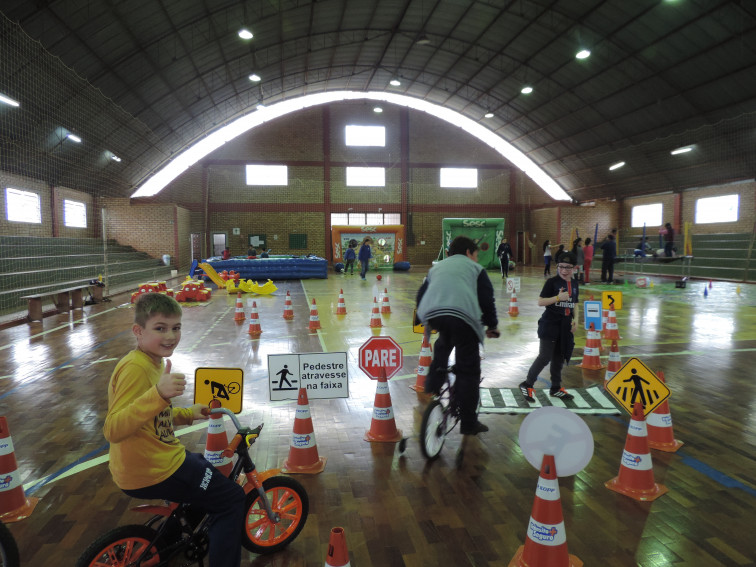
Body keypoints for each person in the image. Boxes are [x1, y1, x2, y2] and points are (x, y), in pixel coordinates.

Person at [104, 294, 245, 567]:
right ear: (138, 331)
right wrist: (158, 393)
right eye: (160, 328)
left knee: (206, 469)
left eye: (176, 327)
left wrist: (186, 413)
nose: (170, 336)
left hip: (160, 460)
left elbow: (154, 416)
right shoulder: (135, 368)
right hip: (153, 469)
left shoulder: (154, 361)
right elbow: (113, 429)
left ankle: (168, 542)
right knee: (231, 498)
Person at [416, 236, 500, 435]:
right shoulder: (476, 270)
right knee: (469, 371)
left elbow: (421, 295)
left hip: (434, 315)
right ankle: (469, 423)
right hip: (464, 319)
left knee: (442, 345)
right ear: (469, 253)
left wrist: (424, 318)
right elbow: (487, 300)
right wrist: (492, 325)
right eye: (476, 256)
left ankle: (433, 384)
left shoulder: (436, 268)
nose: (477, 260)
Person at [519, 251, 579, 402]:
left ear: (574, 268)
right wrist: (558, 298)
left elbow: (575, 303)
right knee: (545, 356)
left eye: (568, 267)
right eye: (561, 266)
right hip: (550, 324)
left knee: (559, 357)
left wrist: (576, 319)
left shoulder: (575, 283)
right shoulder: (551, 282)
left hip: (565, 326)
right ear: (557, 266)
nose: (564, 270)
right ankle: (527, 384)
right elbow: (540, 302)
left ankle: (556, 388)